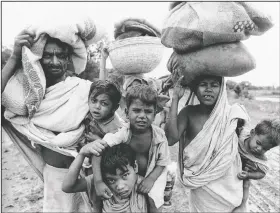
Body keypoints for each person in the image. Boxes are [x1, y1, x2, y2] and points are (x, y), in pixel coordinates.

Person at [1, 22, 104, 212]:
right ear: (38, 58)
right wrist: (15, 56)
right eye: (48, 55)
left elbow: (111, 125)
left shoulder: (83, 89)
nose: (55, 62)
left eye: (61, 56)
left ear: (68, 59)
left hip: (88, 176)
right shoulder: (27, 99)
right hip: (55, 178)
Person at [165, 74, 249, 212]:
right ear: (195, 89)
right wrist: (175, 99)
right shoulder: (189, 113)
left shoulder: (232, 114)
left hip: (230, 186)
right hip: (202, 190)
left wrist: (244, 200)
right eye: (203, 84)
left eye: (214, 85)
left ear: (221, 89)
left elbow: (245, 154)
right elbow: (170, 139)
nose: (208, 89)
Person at [89, 84, 171, 212]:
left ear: (155, 114)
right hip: (127, 175)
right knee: (98, 194)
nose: (142, 116)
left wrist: (150, 179)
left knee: (154, 199)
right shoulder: (123, 133)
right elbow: (97, 152)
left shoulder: (160, 136)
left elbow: (162, 162)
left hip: (154, 173)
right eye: (137, 110)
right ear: (127, 112)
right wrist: (98, 181)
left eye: (148, 111)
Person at [62, 143, 148, 212]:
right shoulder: (101, 183)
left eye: (125, 175)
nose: (120, 186)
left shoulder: (144, 185)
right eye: (112, 180)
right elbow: (68, 187)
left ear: (135, 167)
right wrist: (81, 154)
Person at [232, 118, 280, 211]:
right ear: (252, 133)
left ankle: (242, 205)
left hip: (242, 173)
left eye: (265, 149)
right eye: (258, 143)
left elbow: (262, 173)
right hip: (230, 163)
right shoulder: (241, 135)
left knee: (246, 184)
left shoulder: (260, 159)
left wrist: (249, 175)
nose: (259, 149)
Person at [78, 80, 124, 152]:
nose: (97, 106)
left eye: (104, 104)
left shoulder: (116, 128)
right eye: (94, 101)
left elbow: (115, 149)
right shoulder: (86, 112)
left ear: (114, 108)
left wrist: (98, 140)